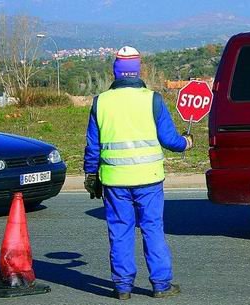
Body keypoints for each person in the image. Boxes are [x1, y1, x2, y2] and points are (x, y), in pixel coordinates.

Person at [83, 46, 193, 300]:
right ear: (138, 70)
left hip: (114, 181)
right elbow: (169, 139)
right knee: (152, 229)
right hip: (149, 179)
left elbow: (93, 145)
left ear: (116, 71)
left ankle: (122, 287)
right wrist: (186, 142)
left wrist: (91, 175)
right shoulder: (152, 99)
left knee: (120, 231)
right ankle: (161, 285)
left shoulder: (101, 102)